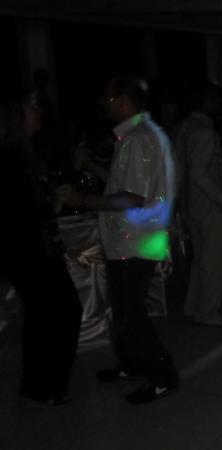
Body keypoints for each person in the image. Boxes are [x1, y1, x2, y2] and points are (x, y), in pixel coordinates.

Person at [58, 77, 179, 404]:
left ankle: (163, 375)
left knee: (131, 312)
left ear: (124, 102)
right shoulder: (138, 135)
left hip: (135, 240)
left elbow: (131, 198)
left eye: (108, 99)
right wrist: (90, 166)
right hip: (132, 238)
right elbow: (121, 185)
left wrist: (81, 199)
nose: (103, 104)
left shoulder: (138, 139)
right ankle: (131, 364)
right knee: (125, 309)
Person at [1, 94, 82, 407]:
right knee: (60, 312)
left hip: (31, 251)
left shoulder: (22, 154)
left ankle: (42, 386)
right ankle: (46, 386)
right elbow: (19, 212)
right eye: (31, 107)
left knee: (45, 314)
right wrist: (51, 202)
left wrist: (52, 201)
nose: (37, 111)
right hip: (29, 252)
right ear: (18, 118)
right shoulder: (12, 159)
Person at [175, 82, 222, 326]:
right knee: (214, 260)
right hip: (209, 205)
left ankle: (193, 305)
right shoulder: (205, 132)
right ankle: (208, 310)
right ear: (208, 101)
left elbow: (181, 169)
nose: (219, 105)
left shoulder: (184, 127)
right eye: (216, 100)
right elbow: (198, 172)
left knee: (200, 259)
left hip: (191, 204)